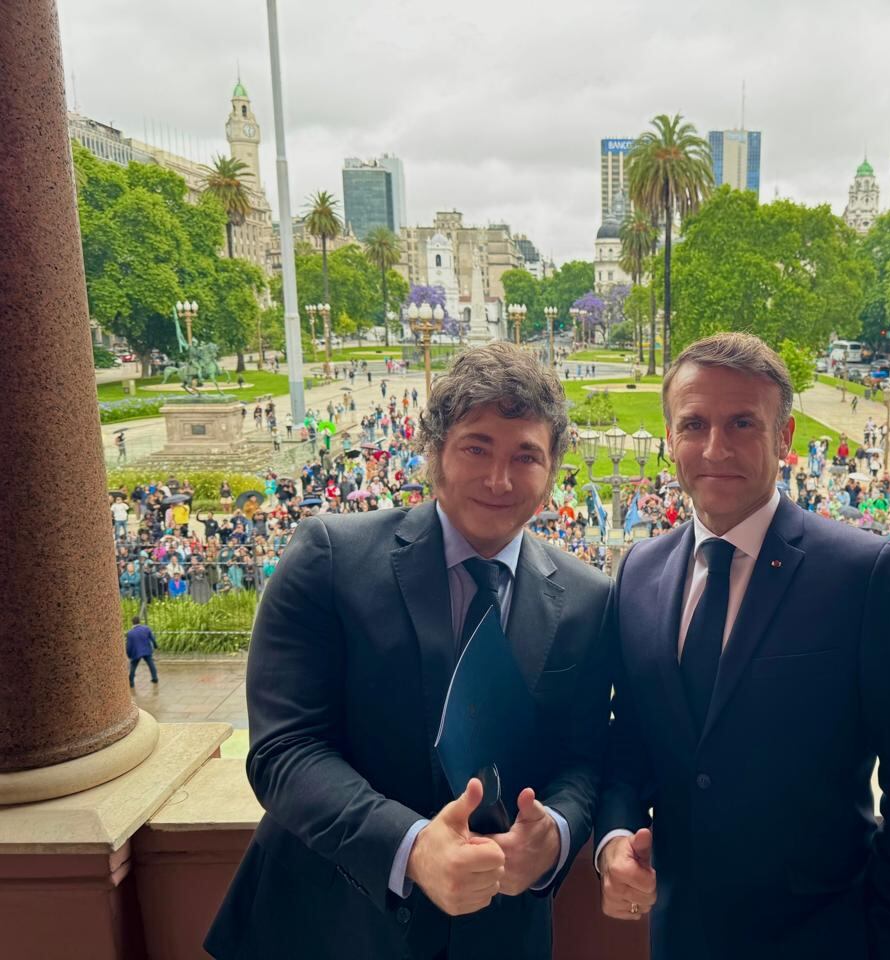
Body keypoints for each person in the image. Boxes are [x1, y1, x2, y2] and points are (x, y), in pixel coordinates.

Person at [206, 343, 614, 960]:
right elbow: (283, 749)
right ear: (435, 453)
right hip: (327, 925)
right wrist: (412, 846)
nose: (499, 480)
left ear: (552, 471)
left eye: (525, 456)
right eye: (476, 447)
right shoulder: (329, 558)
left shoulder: (588, 599)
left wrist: (554, 834)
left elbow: (584, 757)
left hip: (499, 936)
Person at [596, 333, 890, 959]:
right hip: (679, 934)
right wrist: (614, 840)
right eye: (694, 424)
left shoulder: (865, 575)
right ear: (669, 438)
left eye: (743, 423)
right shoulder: (639, 572)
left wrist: (885, 945)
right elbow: (629, 747)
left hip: (825, 938)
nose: (716, 447)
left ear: (785, 439)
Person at [125, 615, 158, 687]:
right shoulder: (146, 628)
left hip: (136, 652)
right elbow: (152, 638)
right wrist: (155, 646)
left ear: (132, 623)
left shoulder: (130, 633)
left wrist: (129, 655)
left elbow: (129, 646)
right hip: (146, 650)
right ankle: (155, 678)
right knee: (151, 664)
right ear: (139, 621)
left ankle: (131, 682)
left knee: (133, 666)